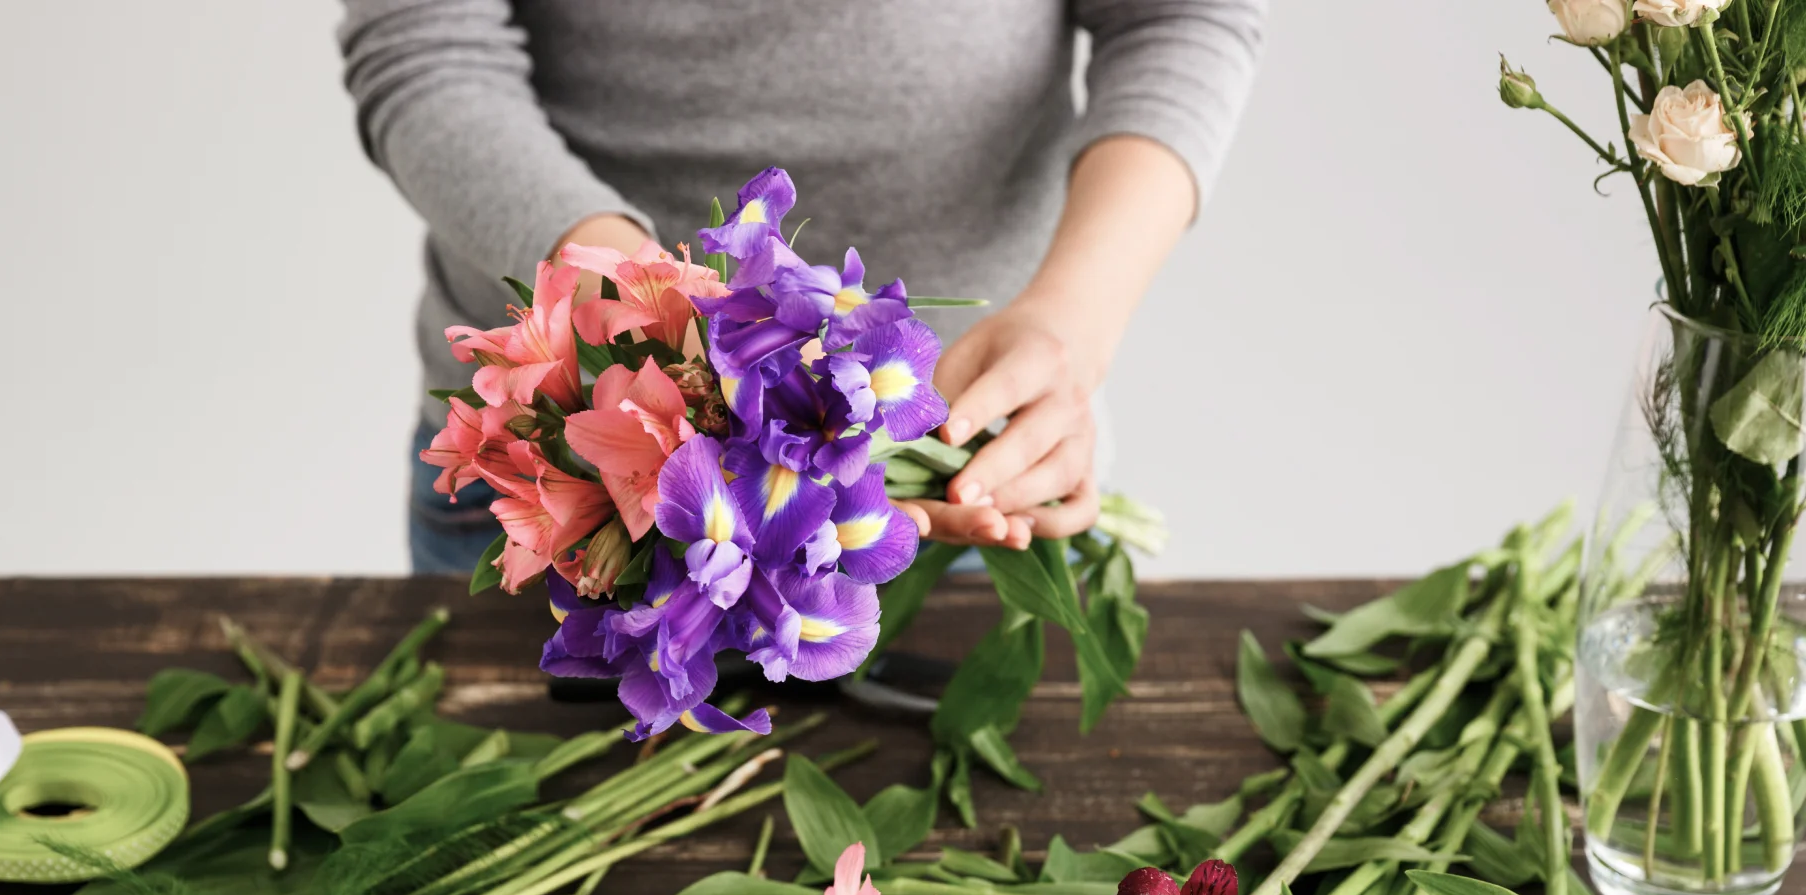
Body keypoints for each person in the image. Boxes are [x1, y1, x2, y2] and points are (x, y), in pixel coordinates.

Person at [337, 0, 1265, 573]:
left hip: (981, 455)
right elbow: (427, 44)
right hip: (579, 453)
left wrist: (1072, 323)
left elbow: (1178, 13)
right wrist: (645, 322)